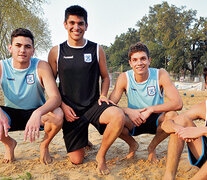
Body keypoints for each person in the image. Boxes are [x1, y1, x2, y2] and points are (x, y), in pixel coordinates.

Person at [48, 5, 125, 175]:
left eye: (80, 23)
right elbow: (50, 84)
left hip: (92, 105)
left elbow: (105, 77)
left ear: (86, 26)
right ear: (65, 24)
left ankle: (101, 155)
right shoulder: (56, 51)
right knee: (76, 160)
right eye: (72, 23)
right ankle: (83, 141)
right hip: (70, 110)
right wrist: (61, 105)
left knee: (118, 116)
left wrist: (104, 94)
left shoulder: (96, 49)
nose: (77, 27)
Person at [109, 42, 183, 162]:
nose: (139, 63)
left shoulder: (160, 74)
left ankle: (152, 148)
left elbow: (178, 103)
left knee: (173, 115)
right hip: (134, 119)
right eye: (135, 60)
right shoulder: (124, 77)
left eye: (143, 58)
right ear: (130, 63)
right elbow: (110, 105)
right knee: (112, 118)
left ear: (149, 60)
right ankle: (133, 145)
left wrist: (151, 109)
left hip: (156, 118)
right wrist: (128, 111)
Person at [0, 28, 63, 165]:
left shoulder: (41, 66)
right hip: (11, 114)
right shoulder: (2, 66)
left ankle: (44, 145)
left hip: (37, 113)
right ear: (10, 48)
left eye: (27, 47)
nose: (22, 50)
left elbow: (55, 98)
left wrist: (38, 112)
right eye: (18, 45)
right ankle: (9, 143)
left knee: (58, 114)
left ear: (33, 51)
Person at [162, 100, 207, 180]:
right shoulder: (204, 107)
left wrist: (202, 130)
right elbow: (165, 125)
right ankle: (168, 177)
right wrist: (177, 128)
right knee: (181, 120)